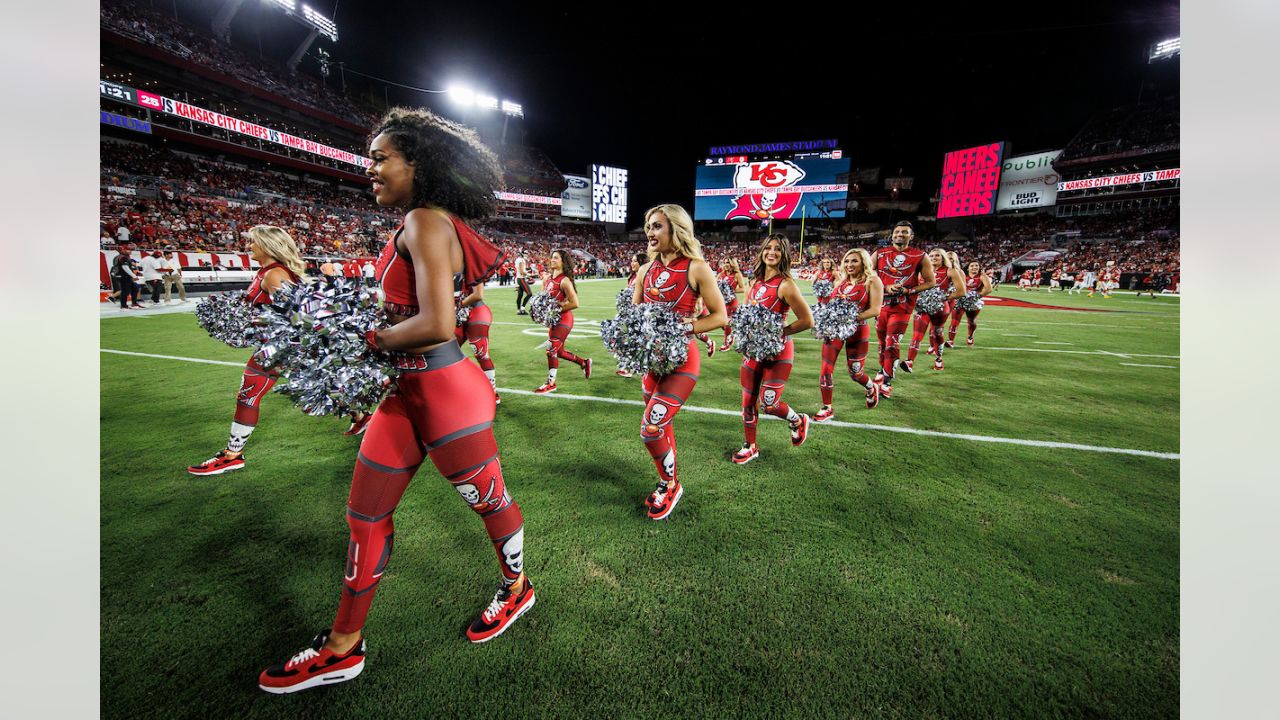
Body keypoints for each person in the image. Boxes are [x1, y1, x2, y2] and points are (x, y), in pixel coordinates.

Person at [258, 108, 532, 694]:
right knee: (364, 514)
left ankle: (516, 588)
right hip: (406, 393)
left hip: (445, 394)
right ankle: (342, 647)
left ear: (419, 164)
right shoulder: (416, 221)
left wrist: (360, 340)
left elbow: (436, 323)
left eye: (383, 158)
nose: (371, 168)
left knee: (489, 503)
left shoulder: (426, 220)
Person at [630, 204, 726, 519]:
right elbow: (635, 317)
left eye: (657, 226)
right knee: (662, 424)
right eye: (648, 226)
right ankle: (668, 481)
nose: (649, 232)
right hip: (653, 363)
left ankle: (670, 484)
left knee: (650, 427)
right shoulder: (645, 271)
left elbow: (720, 315)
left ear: (676, 229)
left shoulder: (697, 268)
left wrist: (685, 327)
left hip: (682, 360)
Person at [187, 226, 307, 477]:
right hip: (275, 346)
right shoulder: (266, 272)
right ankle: (362, 416)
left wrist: (257, 328)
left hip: (278, 347)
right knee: (322, 386)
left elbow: (298, 317)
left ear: (267, 245)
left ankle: (232, 455)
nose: (249, 246)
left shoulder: (275, 275)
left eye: (253, 242)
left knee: (248, 395)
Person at [732, 234, 814, 465]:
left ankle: (797, 420)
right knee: (747, 401)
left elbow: (807, 320)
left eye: (778, 249)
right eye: (768, 248)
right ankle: (750, 446)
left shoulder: (786, 284)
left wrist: (778, 333)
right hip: (753, 351)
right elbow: (746, 316)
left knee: (770, 404)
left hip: (778, 351)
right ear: (762, 252)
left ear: (784, 254)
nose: (772, 252)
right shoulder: (754, 283)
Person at [815, 248, 884, 422]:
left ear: (863, 262)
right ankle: (827, 407)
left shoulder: (872, 281)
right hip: (836, 330)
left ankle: (870, 387)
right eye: (846, 261)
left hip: (858, 330)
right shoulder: (841, 282)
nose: (849, 264)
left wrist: (848, 318)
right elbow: (831, 304)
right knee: (825, 369)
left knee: (855, 373)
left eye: (854, 261)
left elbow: (875, 309)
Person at [872, 221, 935, 398]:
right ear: (892, 235)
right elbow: (867, 275)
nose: (900, 234)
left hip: (903, 307)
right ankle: (882, 368)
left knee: (892, 341)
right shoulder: (879, 253)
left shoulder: (920, 255)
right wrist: (885, 287)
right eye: (897, 231)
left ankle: (887, 381)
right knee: (882, 343)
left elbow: (931, 281)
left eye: (905, 232)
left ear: (911, 236)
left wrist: (909, 290)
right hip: (881, 305)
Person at [533, 249, 592, 394]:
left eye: (556, 258)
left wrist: (556, 309)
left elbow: (575, 303)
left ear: (563, 262)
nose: (552, 260)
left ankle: (551, 383)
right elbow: (542, 299)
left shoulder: (564, 280)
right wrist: (542, 312)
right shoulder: (547, 279)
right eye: (551, 257)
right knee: (558, 352)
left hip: (564, 319)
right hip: (554, 321)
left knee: (551, 349)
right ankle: (584, 363)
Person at [905, 247, 966, 372]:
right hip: (923, 306)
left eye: (937, 255)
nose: (934, 258)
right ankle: (909, 361)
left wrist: (944, 297)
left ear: (943, 258)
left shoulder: (950, 271)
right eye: (931, 256)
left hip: (941, 308)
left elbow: (962, 291)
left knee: (937, 333)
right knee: (917, 334)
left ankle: (938, 359)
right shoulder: (923, 271)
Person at [455, 281, 500, 404]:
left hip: (476, 310)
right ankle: (457, 388)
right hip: (456, 313)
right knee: (449, 352)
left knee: (481, 352)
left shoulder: (470, 266)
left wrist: (457, 305)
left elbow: (478, 294)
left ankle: (492, 392)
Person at [617, 251, 652, 378]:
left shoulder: (645, 277)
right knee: (630, 340)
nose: (632, 263)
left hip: (641, 313)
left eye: (635, 261)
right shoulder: (633, 276)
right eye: (631, 260)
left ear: (642, 263)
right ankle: (630, 367)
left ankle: (631, 369)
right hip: (631, 312)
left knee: (635, 341)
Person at [946, 261, 994, 347]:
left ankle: (970, 336)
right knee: (954, 321)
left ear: (979, 267)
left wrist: (977, 296)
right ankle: (950, 341)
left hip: (973, 302)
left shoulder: (982, 276)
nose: (974, 267)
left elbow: (989, 289)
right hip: (960, 300)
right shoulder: (962, 275)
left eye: (976, 265)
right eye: (972, 266)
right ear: (968, 268)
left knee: (971, 322)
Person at [717, 257, 746, 352]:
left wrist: (730, 290)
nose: (725, 264)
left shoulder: (737, 275)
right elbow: (714, 285)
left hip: (732, 302)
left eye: (728, 263)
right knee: (721, 323)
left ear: (732, 264)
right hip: (722, 302)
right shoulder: (721, 274)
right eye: (724, 262)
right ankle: (731, 335)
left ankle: (726, 342)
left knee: (727, 322)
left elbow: (742, 289)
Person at [111, 245, 143, 310]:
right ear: (123, 250)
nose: (130, 251)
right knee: (125, 291)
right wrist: (133, 276)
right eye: (128, 250)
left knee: (135, 288)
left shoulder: (118, 257)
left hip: (122, 276)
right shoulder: (123, 257)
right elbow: (125, 267)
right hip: (124, 276)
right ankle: (124, 306)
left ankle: (134, 303)